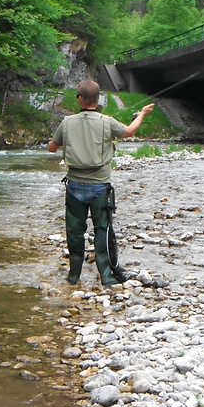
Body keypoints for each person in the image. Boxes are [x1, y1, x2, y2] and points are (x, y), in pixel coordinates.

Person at [48, 80, 154, 287]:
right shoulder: (107, 122)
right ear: (98, 99)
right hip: (100, 188)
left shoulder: (67, 123)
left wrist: (57, 142)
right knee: (102, 230)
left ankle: (73, 276)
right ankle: (106, 276)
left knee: (74, 231)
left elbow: (52, 148)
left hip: (75, 186)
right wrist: (142, 114)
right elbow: (130, 132)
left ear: (79, 98)